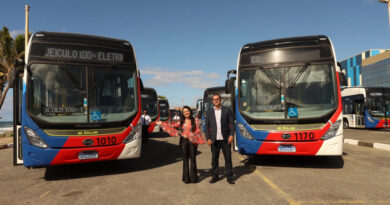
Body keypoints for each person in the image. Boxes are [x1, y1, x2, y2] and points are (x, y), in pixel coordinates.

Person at [157, 106, 205, 184]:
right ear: (183, 113)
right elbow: (171, 126)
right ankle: (186, 178)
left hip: (193, 141)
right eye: (185, 112)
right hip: (183, 142)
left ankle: (194, 178)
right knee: (185, 160)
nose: (186, 113)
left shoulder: (195, 120)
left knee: (193, 160)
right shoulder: (181, 121)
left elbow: (198, 131)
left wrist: (192, 137)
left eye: (188, 111)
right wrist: (162, 123)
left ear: (190, 111)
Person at [205, 93, 235, 184]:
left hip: (226, 139)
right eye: (214, 99)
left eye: (217, 99)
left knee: (228, 159)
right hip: (214, 140)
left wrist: (231, 135)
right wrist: (208, 138)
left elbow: (232, 123)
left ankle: (229, 177)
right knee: (214, 159)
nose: (216, 100)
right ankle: (215, 176)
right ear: (212, 101)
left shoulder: (227, 110)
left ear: (220, 100)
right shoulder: (209, 111)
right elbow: (206, 126)